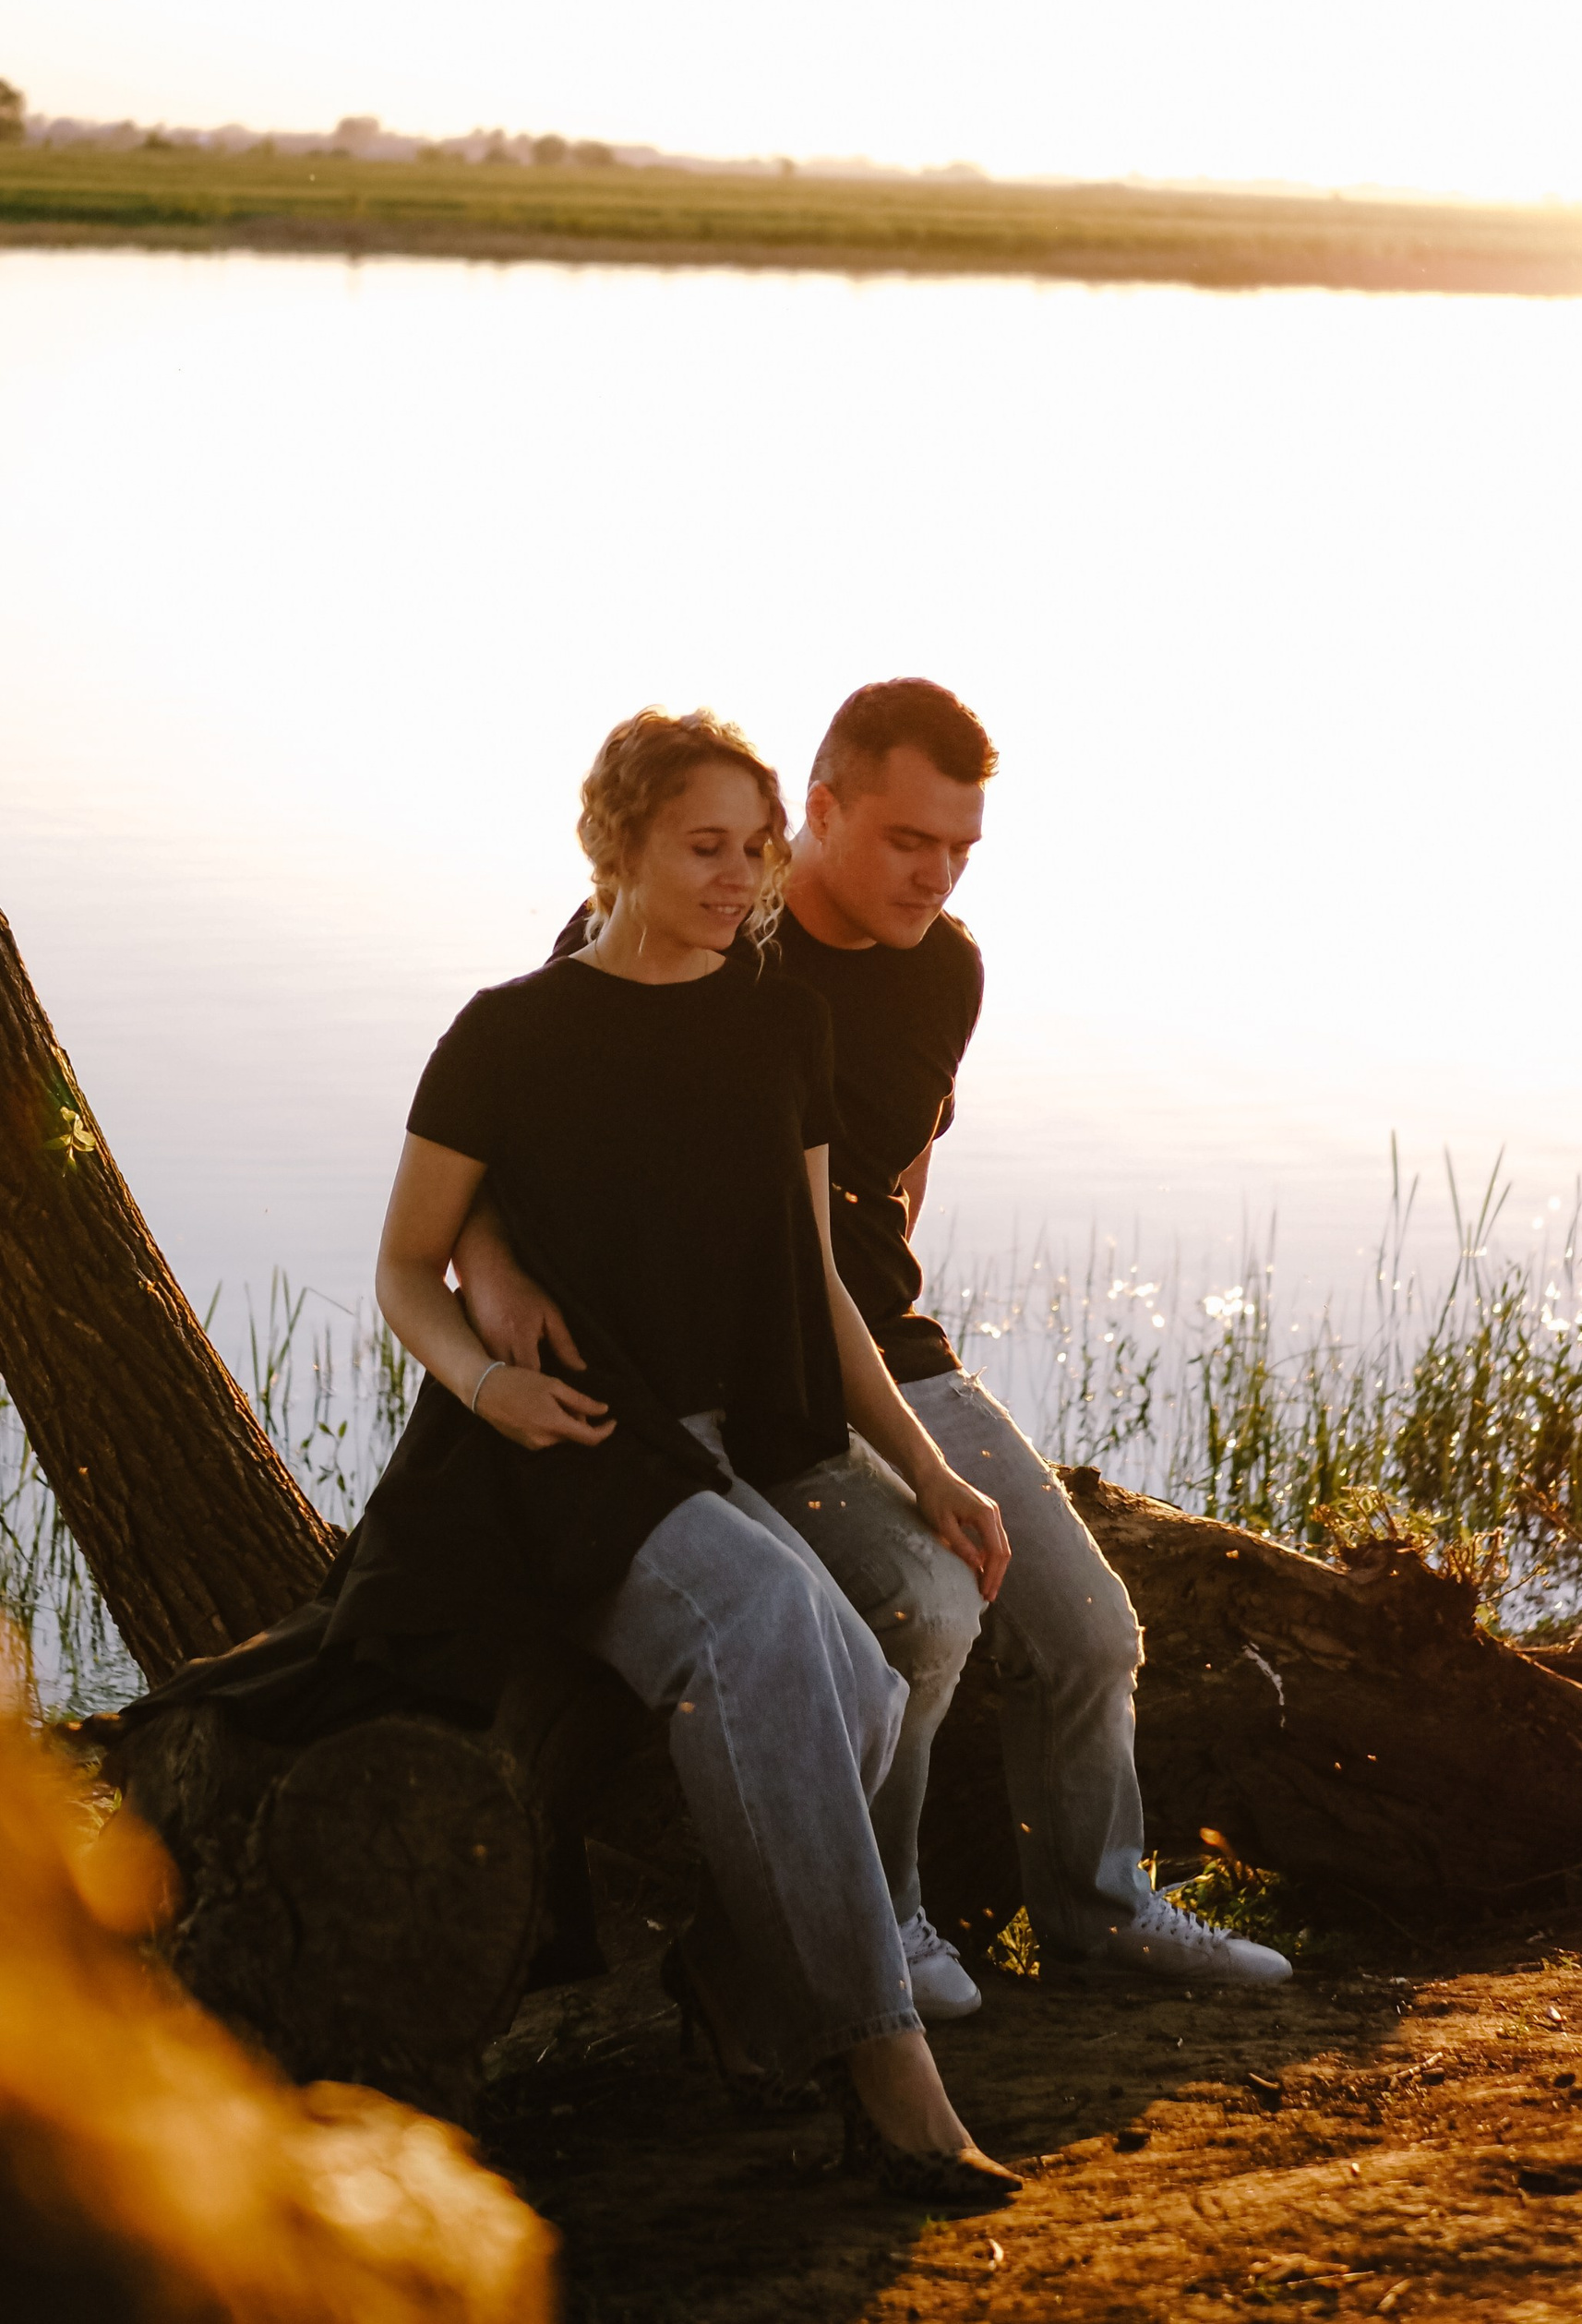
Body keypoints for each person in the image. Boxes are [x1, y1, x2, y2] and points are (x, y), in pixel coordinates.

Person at [140, 706, 1019, 2209]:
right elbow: (409, 1265)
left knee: (869, 1686)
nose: (739, 878)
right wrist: (487, 1382)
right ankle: (888, 2075)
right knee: (757, 1626)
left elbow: (815, 1272)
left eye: (755, 847)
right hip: (552, 1452)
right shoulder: (509, 1034)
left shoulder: (778, 1022)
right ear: (614, 844)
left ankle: (747, 1992)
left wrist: (923, 1467)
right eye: (703, 847)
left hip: (701, 1441)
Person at [459, 679, 1292, 2009]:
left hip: (882, 1344)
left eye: (962, 847)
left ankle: (1098, 1905)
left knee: (1088, 1628)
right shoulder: (708, 925)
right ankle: (885, 1918)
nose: (939, 873)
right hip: (733, 1367)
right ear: (826, 808)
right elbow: (514, 1126)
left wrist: (902, 1372)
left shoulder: (947, 966)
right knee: (927, 1605)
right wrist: (492, 1277)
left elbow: (896, 1174)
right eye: (912, 839)